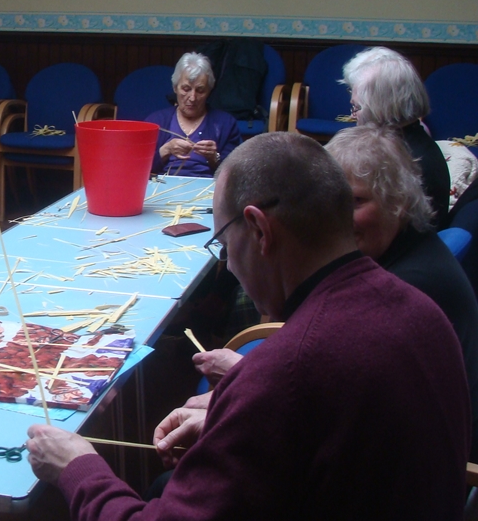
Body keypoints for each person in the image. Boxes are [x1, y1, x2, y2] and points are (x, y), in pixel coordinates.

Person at [16, 132, 469, 521]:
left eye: (224, 244)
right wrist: (241, 402)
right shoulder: (421, 312)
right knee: (161, 491)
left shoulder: (285, 375)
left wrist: (78, 467)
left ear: (258, 230)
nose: (229, 264)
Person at [194, 125, 478, 463]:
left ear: (398, 202)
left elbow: (330, 394)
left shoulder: (406, 292)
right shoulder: (404, 257)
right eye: (332, 201)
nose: (335, 218)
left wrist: (246, 383)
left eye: (355, 201)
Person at [344, 46, 451, 228]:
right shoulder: (413, 141)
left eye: (357, 108)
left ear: (381, 107)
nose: (353, 116)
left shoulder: (398, 159)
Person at [144, 52, 241, 177]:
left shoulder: (225, 124)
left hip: (208, 189)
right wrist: (166, 150)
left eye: (200, 90)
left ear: (209, 91)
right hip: (163, 187)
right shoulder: (155, 122)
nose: (193, 98)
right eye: (186, 89)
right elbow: (138, 168)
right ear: (175, 88)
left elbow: (234, 174)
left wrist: (214, 157)